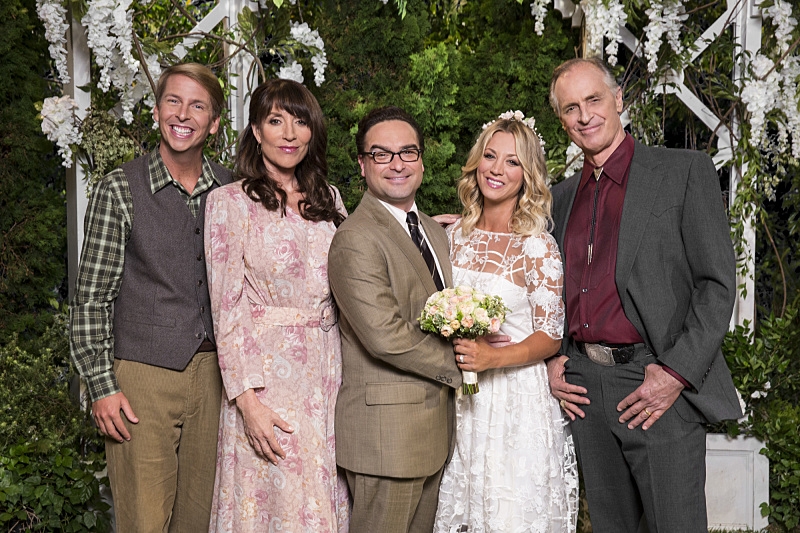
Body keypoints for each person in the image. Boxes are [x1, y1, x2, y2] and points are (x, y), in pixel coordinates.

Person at [546, 57, 743, 532]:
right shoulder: (560, 197)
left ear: (618, 100)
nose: (585, 116)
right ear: (562, 120)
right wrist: (554, 358)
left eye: (594, 100)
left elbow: (717, 285)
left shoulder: (682, 171)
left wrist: (675, 373)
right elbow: (544, 286)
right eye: (571, 108)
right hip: (585, 389)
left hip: (656, 385)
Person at [70, 63, 232, 531]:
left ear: (213, 123)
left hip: (216, 379)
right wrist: (102, 386)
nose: (182, 114)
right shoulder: (120, 188)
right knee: (144, 521)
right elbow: (91, 299)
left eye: (197, 106)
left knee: (201, 521)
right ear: (157, 111)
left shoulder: (232, 190)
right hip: (142, 377)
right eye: (172, 101)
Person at [204, 78, 349, 532]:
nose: (289, 134)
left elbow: (360, 271)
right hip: (267, 383)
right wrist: (247, 403)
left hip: (329, 377)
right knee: (274, 504)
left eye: (300, 122)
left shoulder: (330, 199)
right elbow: (226, 310)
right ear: (256, 130)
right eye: (275, 121)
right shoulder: (229, 202)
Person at [433, 115, 579, 533]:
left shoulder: (537, 246)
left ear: (527, 174)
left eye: (512, 162)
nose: (496, 169)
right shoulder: (453, 236)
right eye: (490, 156)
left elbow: (550, 336)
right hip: (460, 398)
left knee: (507, 514)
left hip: (514, 401)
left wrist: (492, 358)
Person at [327, 105, 461, 533]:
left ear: (421, 160)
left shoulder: (434, 231)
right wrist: (466, 363)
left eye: (407, 152)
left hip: (434, 432)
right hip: (386, 439)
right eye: (381, 154)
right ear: (362, 165)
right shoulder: (355, 238)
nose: (397, 164)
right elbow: (385, 335)